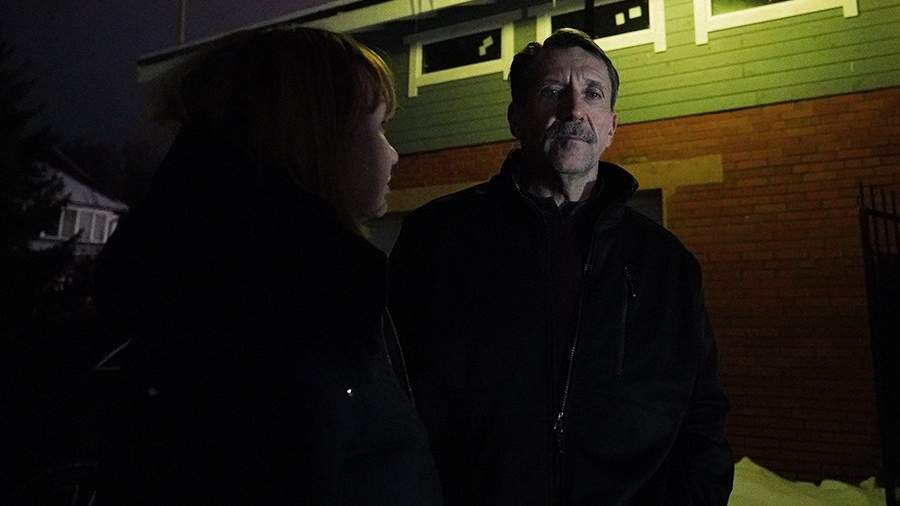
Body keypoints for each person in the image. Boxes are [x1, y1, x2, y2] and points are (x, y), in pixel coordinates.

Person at [94, 28, 441, 505]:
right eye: (379, 126)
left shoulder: (282, 289)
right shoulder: (276, 320)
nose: (394, 152)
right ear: (317, 139)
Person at [389, 28, 733, 506]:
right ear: (516, 116)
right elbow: (393, 404)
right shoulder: (439, 239)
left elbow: (702, 417)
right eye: (552, 91)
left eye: (592, 93)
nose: (574, 110)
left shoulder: (667, 265)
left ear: (611, 126)